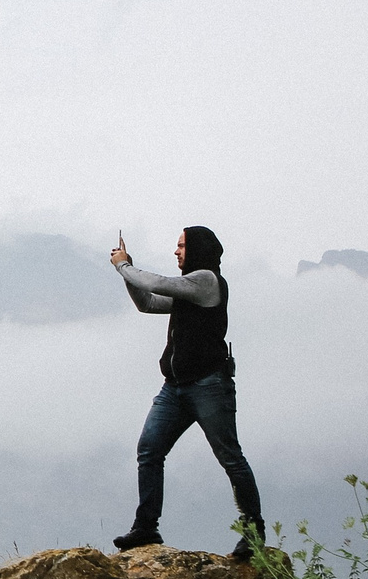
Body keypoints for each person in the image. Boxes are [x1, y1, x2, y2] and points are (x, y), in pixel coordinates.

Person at [108, 226, 265, 559]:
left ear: (198, 250)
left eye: (181, 246)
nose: (176, 252)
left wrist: (124, 266)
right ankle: (146, 527)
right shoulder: (187, 290)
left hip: (209, 385)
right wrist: (128, 273)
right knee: (149, 450)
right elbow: (148, 302)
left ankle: (254, 531)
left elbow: (157, 284)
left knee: (230, 457)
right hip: (175, 387)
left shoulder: (205, 281)